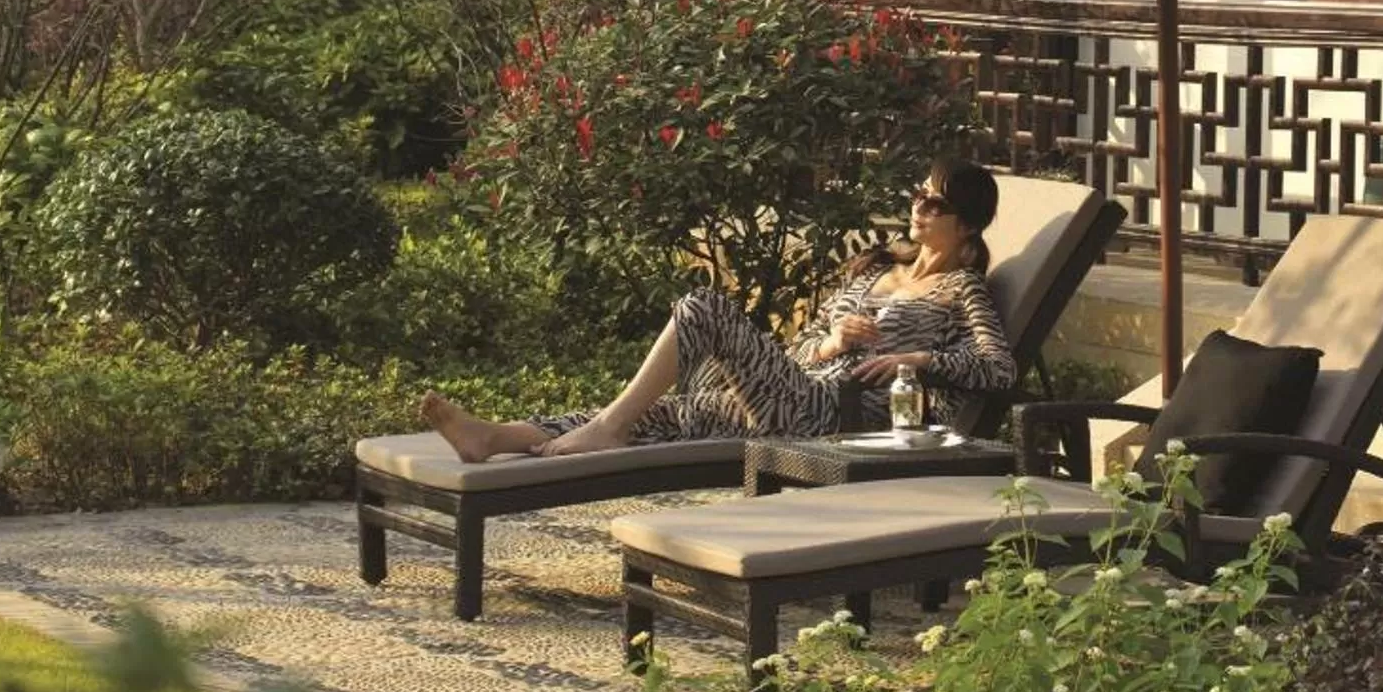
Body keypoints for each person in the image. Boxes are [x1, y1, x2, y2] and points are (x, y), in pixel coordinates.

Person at [420, 160, 1017, 460]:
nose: (919, 208)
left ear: (966, 223)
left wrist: (916, 356)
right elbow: (800, 347)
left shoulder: (961, 290)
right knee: (657, 414)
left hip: (838, 417)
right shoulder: (876, 267)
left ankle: (606, 429)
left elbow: (998, 370)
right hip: (794, 390)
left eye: (935, 203)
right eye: (918, 195)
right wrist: (833, 341)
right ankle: (492, 436)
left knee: (701, 305)